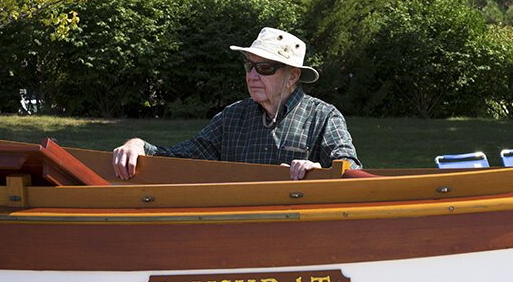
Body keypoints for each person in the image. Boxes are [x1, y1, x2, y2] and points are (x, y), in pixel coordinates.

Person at [112, 27, 360, 180]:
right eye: (249, 66)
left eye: (264, 68)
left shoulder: (324, 117)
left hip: (299, 237)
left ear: (292, 76)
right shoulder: (232, 118)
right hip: (239, 234)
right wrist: (139, 146)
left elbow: (351, 167)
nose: (252, 76)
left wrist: (318, 170)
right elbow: (183, 158)